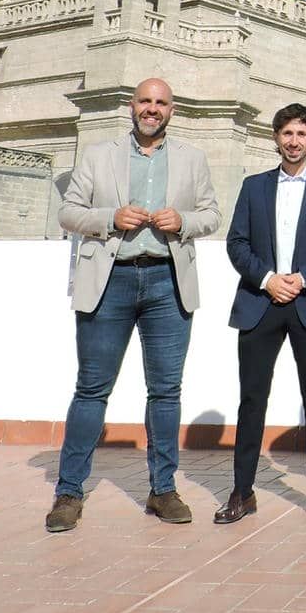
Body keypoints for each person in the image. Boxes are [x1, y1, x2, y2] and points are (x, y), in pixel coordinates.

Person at [47, 77, 220, 533]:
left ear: (171, 110)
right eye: (145, 101)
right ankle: (68, 492)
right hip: (110, 281)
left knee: (165, 392)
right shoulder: (99, 155)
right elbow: (68, 211)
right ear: (131, 106)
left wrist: (183, 221)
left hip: (168, 281)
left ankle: (162, 490)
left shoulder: (192, 159)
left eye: (161, 103)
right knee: (92, 389)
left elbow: (212, 214)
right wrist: (109, 218)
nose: (152, 109)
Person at [214, 104, 306, 526]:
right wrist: (269, 279)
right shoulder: (253, 187)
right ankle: (242, 491)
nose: (294, 141)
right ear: (275, 138)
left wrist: (302, 280)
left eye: (301, 134)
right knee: (252, 399)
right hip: (260, 303)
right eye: (287, 133)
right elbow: (237, 243)